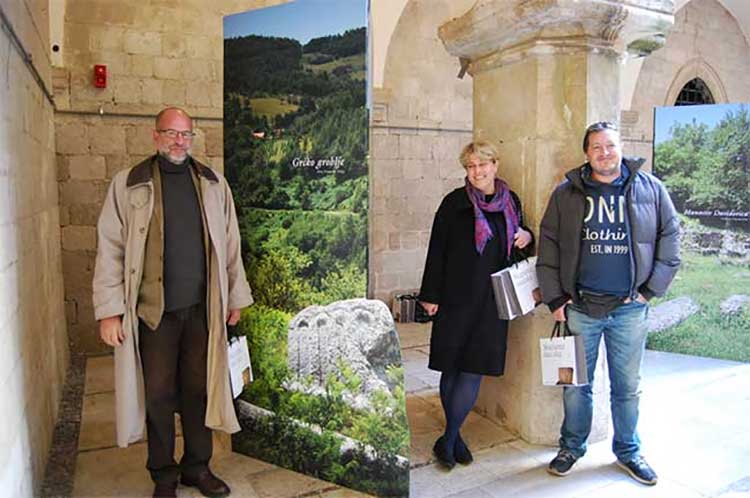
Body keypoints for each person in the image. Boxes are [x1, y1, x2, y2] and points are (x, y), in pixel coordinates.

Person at [93, 107, 253, 498]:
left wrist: (235, 296)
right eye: (171, 133)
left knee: (199, 391)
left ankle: (197, 467)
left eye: (185, 134)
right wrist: (109, 311)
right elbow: (110, 249)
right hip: (153, 315)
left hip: (202, 312)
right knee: (159, 396)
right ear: (155, 136)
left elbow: (231, 246)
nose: (179, 141)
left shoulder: (214, 184)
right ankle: (163, 475)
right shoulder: (129, 184)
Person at [536, 121, 680, 485]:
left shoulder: (651, 189)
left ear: (621, 148)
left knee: (627, 387)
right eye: (596, 147)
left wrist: (649, 292)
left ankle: (629, 451)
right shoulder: (566, 193)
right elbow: (548, 244)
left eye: (610, 146)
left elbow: (671, 238)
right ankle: (571, 447)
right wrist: (555, 298)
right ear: (586, 153)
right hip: (581, 308)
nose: (604, 153)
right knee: (574, 387)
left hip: (629, 310)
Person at [418, 140, 534, 469]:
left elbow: (516, 247)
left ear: (495, 165)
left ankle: (449, 438)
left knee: (472, 370)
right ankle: (452, 438)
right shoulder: (454, 203)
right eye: (470, 166)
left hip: (491, 301)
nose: (477, 172)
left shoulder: (511, 202)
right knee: (451, 366)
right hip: (454, 298)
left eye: (483, 165)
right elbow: (436, 250)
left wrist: (527, 236)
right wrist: (430, 295)